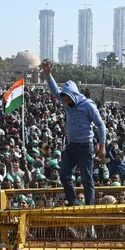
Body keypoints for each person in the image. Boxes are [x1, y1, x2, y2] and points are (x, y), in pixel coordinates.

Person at [42, 60, 106, 206]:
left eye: (68, 99)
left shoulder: (88, 105)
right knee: (64, 175)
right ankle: (73, 201)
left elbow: (101, 125)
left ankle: (89, 207)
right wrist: (48, 74)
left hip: (85, 146)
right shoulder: (65, 101)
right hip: (71, 146)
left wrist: (102, 146)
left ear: (74, 95)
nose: (65, 101)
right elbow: (55, 91)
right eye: (64, 98)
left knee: (86, 179)